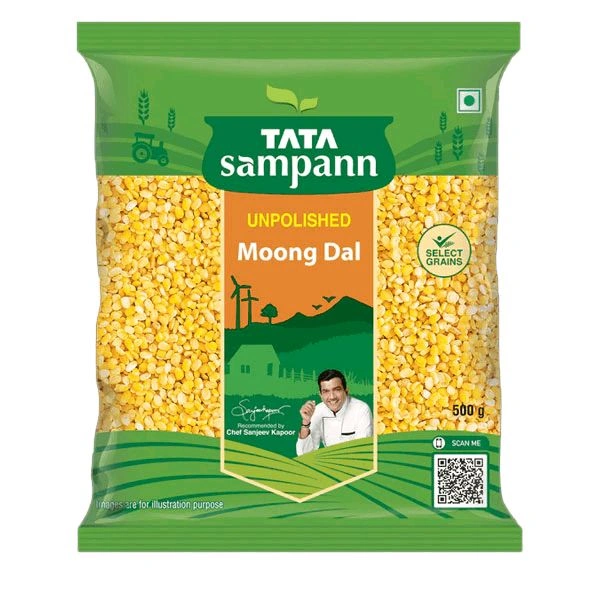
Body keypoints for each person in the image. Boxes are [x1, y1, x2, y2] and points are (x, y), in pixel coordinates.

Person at [296, 369, 373, 456]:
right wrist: (306, 422)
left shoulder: (361, 409)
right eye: (326, 391)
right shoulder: (317, 411)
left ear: (346, 391)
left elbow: (363, 451)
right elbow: (304, 454)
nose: (332, 397)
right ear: (320, 395)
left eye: (337, 389)